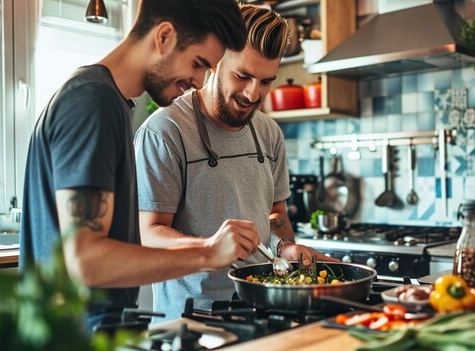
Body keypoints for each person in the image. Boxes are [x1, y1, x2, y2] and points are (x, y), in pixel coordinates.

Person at [20, 0, 260, 330]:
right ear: (164, 36)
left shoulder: (111, 102)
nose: (198, 80)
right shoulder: (93, 103)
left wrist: (207, 246)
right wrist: (206, 255)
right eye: (197, 63)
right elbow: (86, 261)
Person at [134, 4, 337, 319]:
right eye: (243, 76)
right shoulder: (165, 132)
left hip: (264, 313)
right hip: (192, 322)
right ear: (214, 61)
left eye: (267, 81)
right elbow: (148, 233)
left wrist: (285, 247)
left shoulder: (269, 132)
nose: (254, 94)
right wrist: (210, 247)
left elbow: (275, 213)